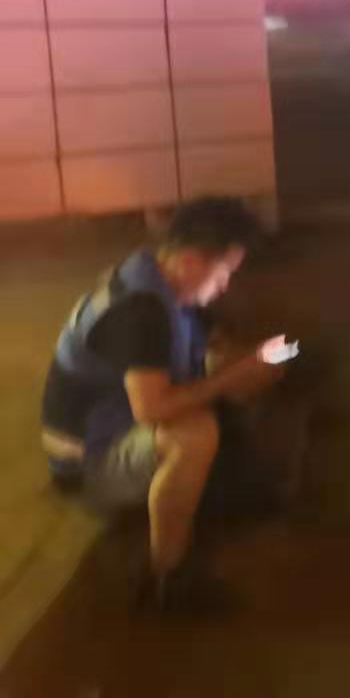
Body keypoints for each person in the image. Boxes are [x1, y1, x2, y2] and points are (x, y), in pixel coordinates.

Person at [39, 196, 281, 610]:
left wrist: (256, 362)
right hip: (88, 468)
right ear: (189, 261)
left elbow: (215, 350)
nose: (225, 285)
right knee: (194, 434)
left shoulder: (164, 284)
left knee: (224, 377)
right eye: (224, 272)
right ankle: (166, 576)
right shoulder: (142, 311)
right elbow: (152, 410)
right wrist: (235, 376)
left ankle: (224, 489)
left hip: (120, 427)